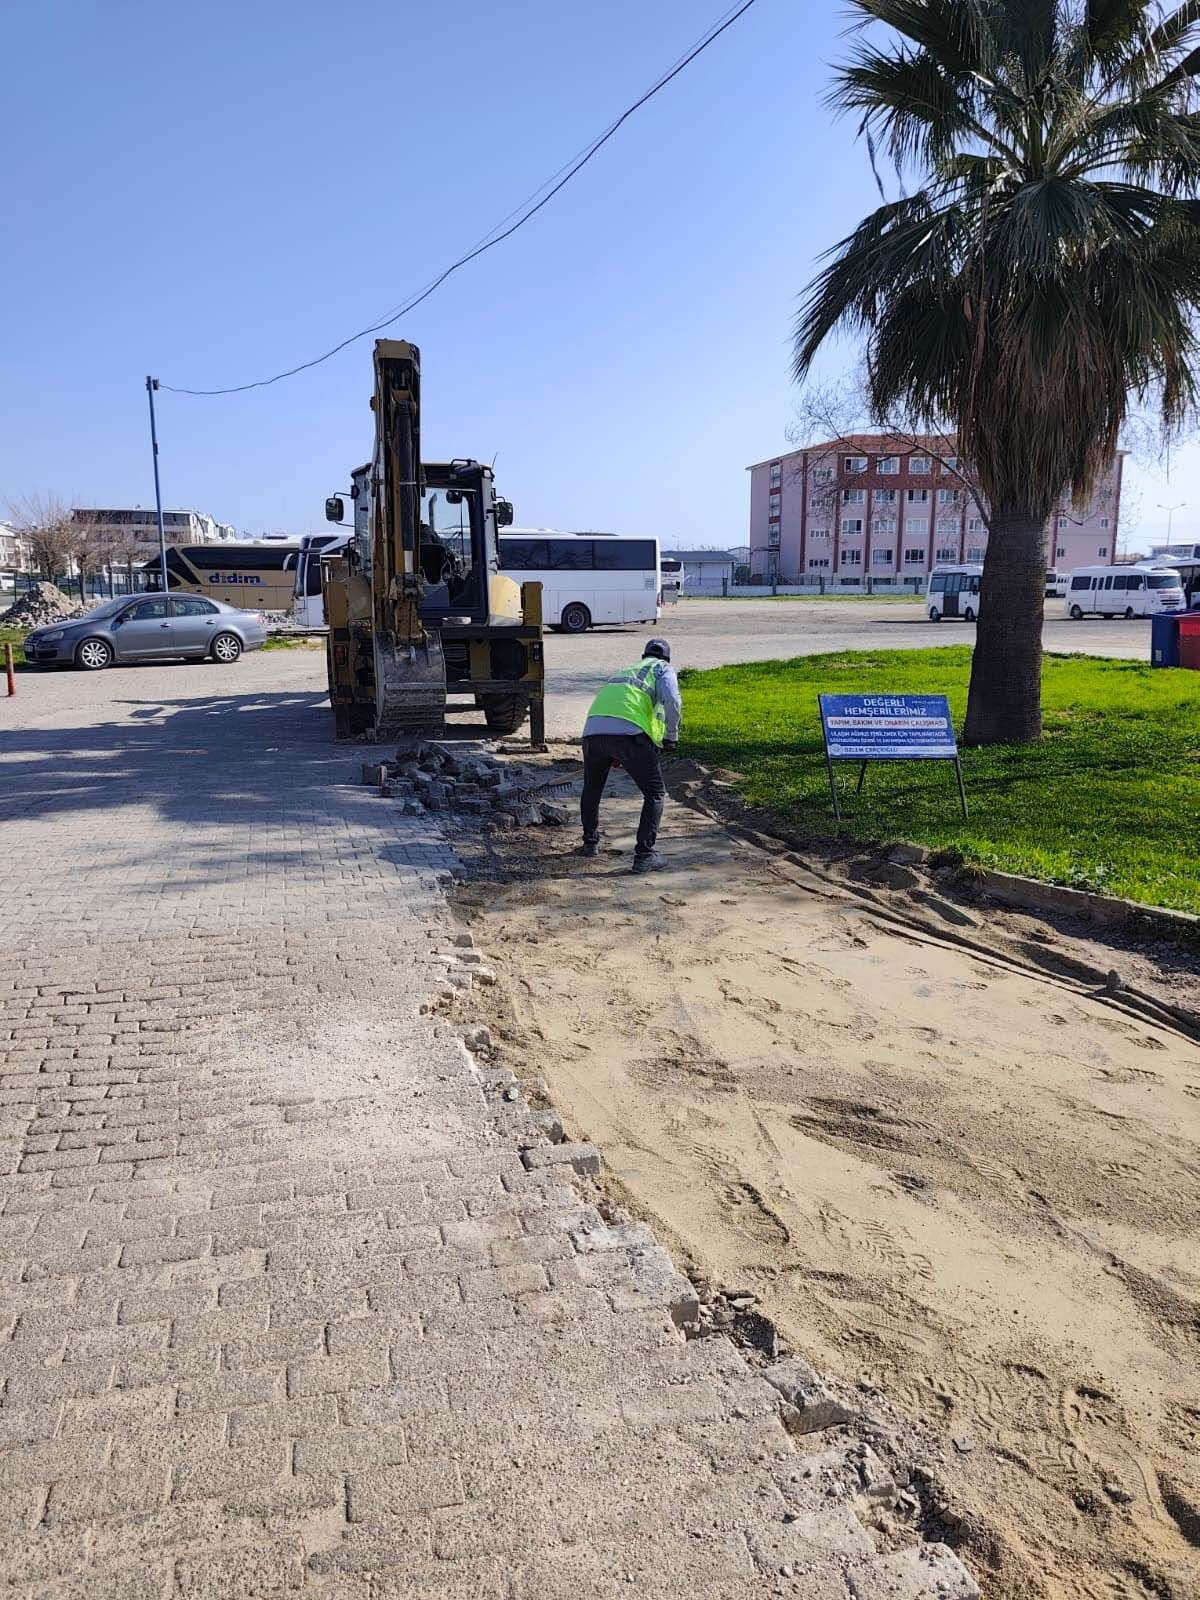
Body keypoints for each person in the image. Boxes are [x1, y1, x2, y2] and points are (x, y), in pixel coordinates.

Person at [579, 638, 681, 873]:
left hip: (593, 733)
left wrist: (612, 750)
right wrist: (671, 737)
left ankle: (589, 843)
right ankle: (644, 856)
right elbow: (672, 701)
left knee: (592, 788)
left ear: (644, 655)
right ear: (667, 657)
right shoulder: (662, 668)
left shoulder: (625, 670)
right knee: (655, 793)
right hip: (629, 735)